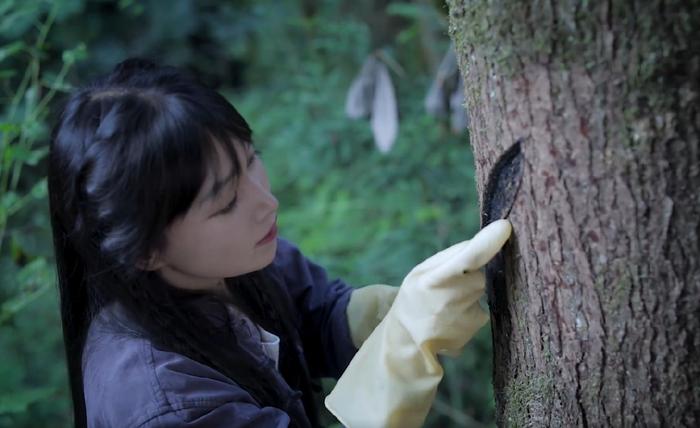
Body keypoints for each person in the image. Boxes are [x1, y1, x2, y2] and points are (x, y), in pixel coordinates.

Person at [47, 58, 512, 428]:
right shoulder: (164, 403)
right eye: (226, 201)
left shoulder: (234, 260)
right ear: (144, 250)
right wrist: (401, 349)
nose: (265, 202)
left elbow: (317, 316)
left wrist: (387, 314)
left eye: (252, 161)